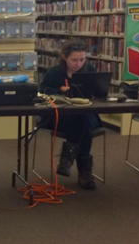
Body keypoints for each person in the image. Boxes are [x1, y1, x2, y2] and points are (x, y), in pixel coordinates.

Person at [39, 40, 102, 190]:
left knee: (81, 118)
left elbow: (98, 91)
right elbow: (42, 90)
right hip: (59, 117)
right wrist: (60, 89)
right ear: (64, 57)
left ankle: (67, 159)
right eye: (74, 60)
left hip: (85, 115)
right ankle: (85, 173)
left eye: (82, 59)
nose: (78, 64)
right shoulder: (54, 72)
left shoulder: (90, 70)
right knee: (82, 123)